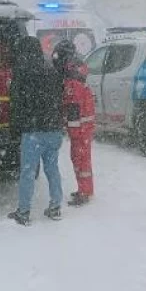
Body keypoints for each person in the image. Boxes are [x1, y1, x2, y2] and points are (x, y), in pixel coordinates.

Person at [7, 37, 65, 225]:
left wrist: (15, 128)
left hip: (33, 130)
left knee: (27, 171)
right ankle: (55, 206)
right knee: (52, 169)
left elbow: (16, 102)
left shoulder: (22, 71)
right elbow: (60, 96)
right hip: (54, 128)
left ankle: (23, 212)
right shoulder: (51, 69)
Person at [52, 40, 95, 206]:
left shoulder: (72, 80)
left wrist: (72, 129)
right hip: (81, 127)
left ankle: (85, 192)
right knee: (78, 158)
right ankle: (84, 189)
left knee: (81, 159)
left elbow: (74, 105)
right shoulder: (75, 73)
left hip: (80, 127)